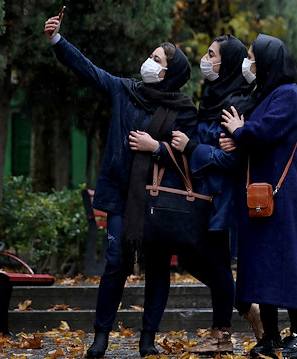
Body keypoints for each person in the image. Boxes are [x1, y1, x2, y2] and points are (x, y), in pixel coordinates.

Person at [44, 12, 197, 358]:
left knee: (158, 269)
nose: (149, 62)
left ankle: (148, 339)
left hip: (158, 202)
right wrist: (57, 40)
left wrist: (154, 148)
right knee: (115, 262)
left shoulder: (184, 110)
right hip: (121, 197)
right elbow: (88, 69)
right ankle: (101, 336)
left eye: (156, 60)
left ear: (170, 73)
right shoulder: (125, 90)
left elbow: (189, 155)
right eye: (152, 56)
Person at [134, 35, 263, 354]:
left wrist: (193, 147)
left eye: (212, 54)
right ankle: (244, 307)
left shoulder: (236, 104)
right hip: (203, 196)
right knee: (195, 259)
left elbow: (231, 158)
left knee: (215, 263)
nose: (205, 59)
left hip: (220, 199)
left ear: (227, 62)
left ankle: (223, 332)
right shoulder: (213, 97)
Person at [221, 34, 297, 359]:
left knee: (285, 261)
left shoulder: (287, 95)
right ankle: (272, 337)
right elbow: (251, 135)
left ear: (269, 61)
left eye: (253, 57)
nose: (250, 63)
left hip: (280, 196)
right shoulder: (266, 94)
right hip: (258, 196)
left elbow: (264, 131)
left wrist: (239, 132)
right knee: (261, 265)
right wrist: (238, 136)